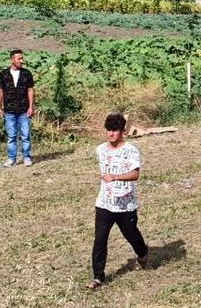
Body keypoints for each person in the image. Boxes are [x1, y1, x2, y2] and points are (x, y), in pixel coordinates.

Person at [89, 113, 149, 290]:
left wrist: (116, 177)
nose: (110, 134)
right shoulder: (100, 150)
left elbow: (135, 174)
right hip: (104, 203)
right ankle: (98, 276)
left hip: (125, 204)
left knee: (131, 235)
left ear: (122, 131)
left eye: (114, 130)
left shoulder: (131, 150)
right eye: (108, 130)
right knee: (100, 240)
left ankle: (142, 253)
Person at [0, 49, 35, 167]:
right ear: (12, 60)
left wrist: (31, 107)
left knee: (25, 135)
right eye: (19, 59)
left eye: (22, 58)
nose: (22, 61)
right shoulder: (3, 74)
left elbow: (30, 90)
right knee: (11, 136)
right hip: (9, 110)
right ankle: (11, 158)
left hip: (24, 109)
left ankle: (27, 157)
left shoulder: (26, 73)